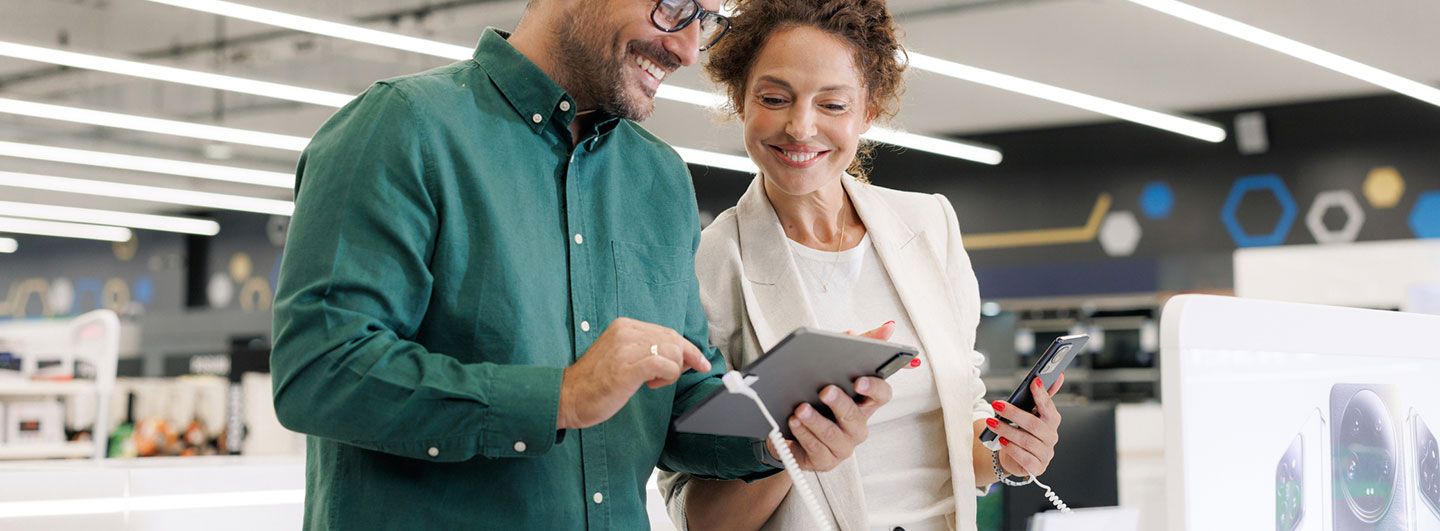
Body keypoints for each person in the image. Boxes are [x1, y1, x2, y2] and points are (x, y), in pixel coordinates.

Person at [268, 0, 891, 528]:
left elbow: (675, 403)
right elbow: (320, 373)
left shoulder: (659, 178)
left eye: (706, 17)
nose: (689, 49)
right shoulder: (403, 129)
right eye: (674, 5)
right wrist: (561, 397)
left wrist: (785, 425)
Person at [659, 1, 1067, 530]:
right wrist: (792, 442)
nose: (800, 127)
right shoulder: (706, 263)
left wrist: (1005, 456)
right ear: (741, 100)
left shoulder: (929, 225)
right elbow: (699, 518)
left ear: (867, 112)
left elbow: (957, 435)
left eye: (832, 104)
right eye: (774, 98)